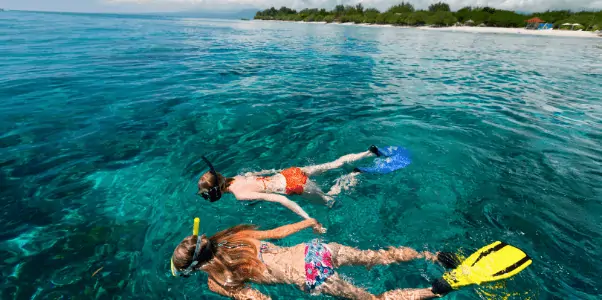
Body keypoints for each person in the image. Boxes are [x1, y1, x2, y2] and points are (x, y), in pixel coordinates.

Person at [170, 218, 465, 300]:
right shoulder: (239, 237)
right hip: (315, 249)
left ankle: (435, 290)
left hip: (312, 276)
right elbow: (279, 231)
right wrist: (308, 221)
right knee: (375, 257)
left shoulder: (218, 281)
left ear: (196, 267)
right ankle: (432, 255)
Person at [197, 146, 382, 232]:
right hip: (290, 173)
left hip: (294, 186)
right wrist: (278, 172)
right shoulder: (236, 177)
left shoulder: (239, 194)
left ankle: (354, 175)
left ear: (216, 193)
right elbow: (264, 173)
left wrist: (309, 220)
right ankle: (369, 152)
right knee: (333, 164)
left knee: (330, 200)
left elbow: (282, 199)